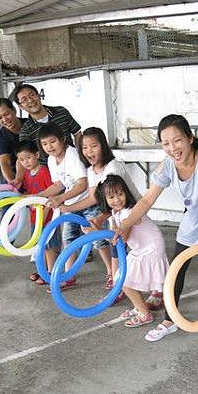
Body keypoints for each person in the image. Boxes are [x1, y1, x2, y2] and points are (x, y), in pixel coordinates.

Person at [114, 114, 198, 342]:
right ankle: (170, 320)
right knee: (176, 271)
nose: (172, 148)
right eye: (166, 143)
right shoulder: (168, 166)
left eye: (177, 140)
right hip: (193, 219)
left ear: (190, 138)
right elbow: (146, 200)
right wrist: (124, 225)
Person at [69, 126, 140, 295]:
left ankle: (143, 286)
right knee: (117, 248)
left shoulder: (113, 167)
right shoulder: (91, 170)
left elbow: (118, 201)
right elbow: (94, 198)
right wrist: (67, 208)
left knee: (138, 250)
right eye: (84, 147)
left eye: (94, 146)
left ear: (103, 146)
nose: (89, 151)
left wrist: (99, 219)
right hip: (115, 213)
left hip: (132, 212)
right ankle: (117, 282)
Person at [96, 175, 168, 327]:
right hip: (141, 248)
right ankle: (139, 307)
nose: (117, 199)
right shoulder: (116, 213)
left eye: (120, 193)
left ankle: (144, 313)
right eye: (111, 196)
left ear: (126, 193)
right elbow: (114, 238)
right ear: (105, 200)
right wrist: (94, 230)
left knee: (124, 280)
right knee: (124, 279)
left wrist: (95, 232)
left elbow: (121, 240)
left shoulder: (128, 212)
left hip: (150, 249)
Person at [36, 123, 100, 292]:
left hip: (88, 202)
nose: (49, 147)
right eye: (45, 144)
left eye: (52, 142)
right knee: (69, 239)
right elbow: (59, 184)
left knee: (100, 240)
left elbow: (82, 184)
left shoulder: (72, 155)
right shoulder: (51, 160)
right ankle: (68, 276)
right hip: (71, 205)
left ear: (62, 140)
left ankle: (111, 273)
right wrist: (38, 196)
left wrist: (60, 199)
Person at [16, 140, 61, 285]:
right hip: (35, 218)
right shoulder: (28, 175)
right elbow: (29, 194)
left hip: (48, 217)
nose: (26, 162)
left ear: (36, 155)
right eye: (22, 159)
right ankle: (43, 269)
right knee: (39, 246)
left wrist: (45, 213)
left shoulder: (44, 171)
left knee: (49, 246)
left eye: (28, 157)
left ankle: (51, 272)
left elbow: (53, 193)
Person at [12, 84, 82, 156]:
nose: (30, 100)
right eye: (24, 99)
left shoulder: (61, 111)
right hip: (47, 166)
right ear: (21, 107)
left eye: (32, 95)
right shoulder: (26, 131)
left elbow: (77, 133)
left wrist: (80, 155)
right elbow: (27, 156)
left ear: (39, 96)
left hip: (72, 159)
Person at [0, 98, 26, 187]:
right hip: (14, 174)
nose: (4, 119)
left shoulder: (30, 125)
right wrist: (13, 183)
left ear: (14, 110)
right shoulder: (0, 139)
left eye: (6, 114)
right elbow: (4, 163)